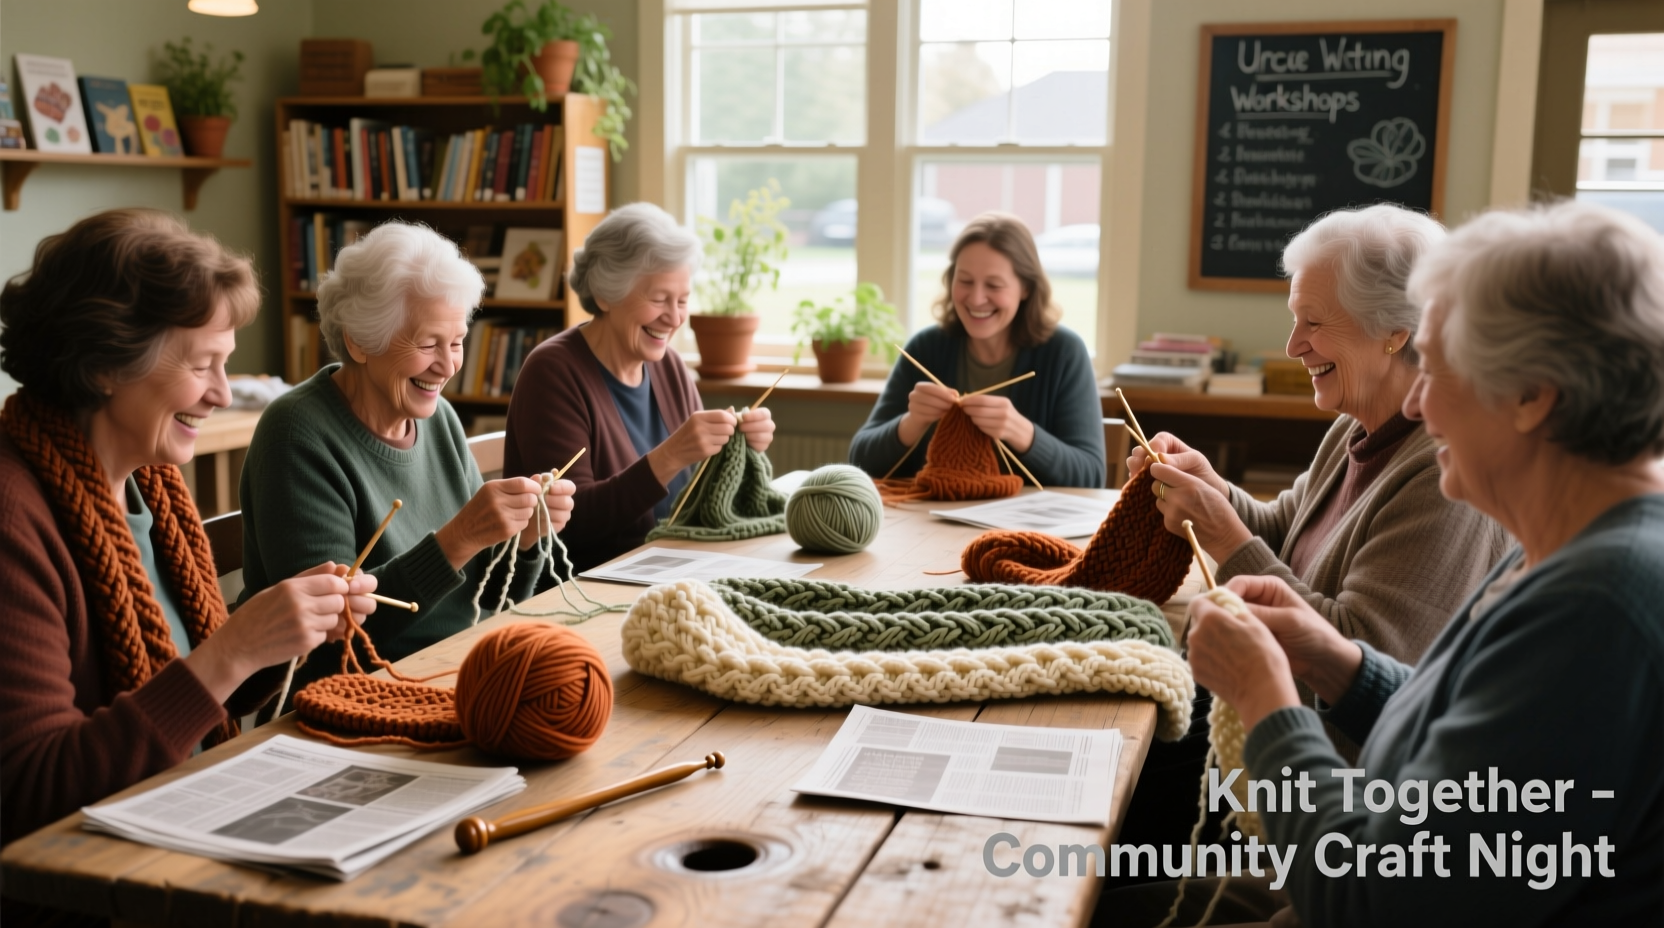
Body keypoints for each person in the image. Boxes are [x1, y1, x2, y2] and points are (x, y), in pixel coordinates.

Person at [1173, 201, 1664, 926]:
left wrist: (1267, 700)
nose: (1422, 405)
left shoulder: (1599, 606)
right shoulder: (1567, 547)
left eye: (1435, 368)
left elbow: (1377, 901)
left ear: (1531, 396)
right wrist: (1337, 662)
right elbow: (1466, 724)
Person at [0, 211, 380, 869]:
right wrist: (233, 650)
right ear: (104, 365)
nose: (222, 394)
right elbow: (32, 791)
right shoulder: (14, 518)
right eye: (204, 364)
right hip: (94, 888)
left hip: (183, 832)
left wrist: (273, 641)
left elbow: (181, 697)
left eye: (225, 365)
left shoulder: (154, 492)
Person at [1130, 205, 1510, 666]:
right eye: (1296, 319)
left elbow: (1363, 661)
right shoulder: (1353, 427)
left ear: (1393, 333)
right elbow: (1284, 535)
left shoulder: (1445, 473)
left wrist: (1225, 537)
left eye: (1314, 322)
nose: (1293, 346)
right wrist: (1214, 492)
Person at [238, 223, 573, 708]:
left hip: (455, 670)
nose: (448, 366)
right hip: (356, 700)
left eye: (456, 342)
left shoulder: (439, 419)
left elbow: (485, 603)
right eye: (427, 344)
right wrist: (458, 540)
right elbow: (333, 645)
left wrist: (522, 542)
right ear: (359, 342)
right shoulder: (296, 434)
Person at [504, 203, 775, 572]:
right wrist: (668, 457)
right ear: (605, 294)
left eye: (682, 301)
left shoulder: (670, 367)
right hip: (587, 588)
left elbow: (704, 501)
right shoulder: (552, 372)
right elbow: (570, 525)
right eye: (659, 299)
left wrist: (743, 451)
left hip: (674, 569)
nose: (675, 317)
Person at [849, 212, 1104, 487]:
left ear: (1026, 288)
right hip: (930, 520)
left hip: (1023, 526)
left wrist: (1022, 433)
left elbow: (1092, 476)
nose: (976, 298)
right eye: (965, 281)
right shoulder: (926, 348)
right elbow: (858, 463)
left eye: (994, 285)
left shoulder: (1064, 353)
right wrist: (911, 423)